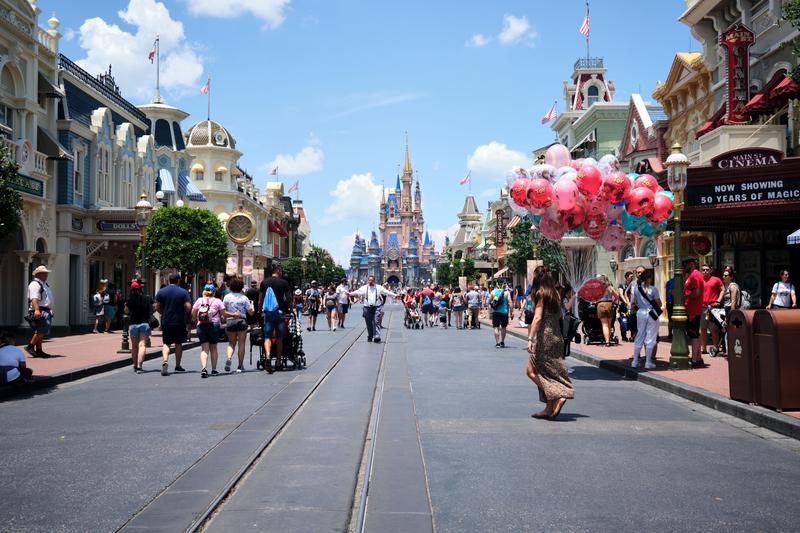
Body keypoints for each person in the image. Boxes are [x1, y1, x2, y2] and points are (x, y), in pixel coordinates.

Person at [526, 268, 574, 420]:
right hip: (556, 335)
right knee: (546, 371)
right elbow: (562, 313)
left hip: (544, 336)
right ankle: (548, 408)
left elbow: (538, 318)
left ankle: (558, 394)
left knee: (531, 371)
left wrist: (530, 338)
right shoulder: (556, 294)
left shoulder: (541, 293)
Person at [155, 272, 192, 376]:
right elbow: (188, 307)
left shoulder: (161, 291)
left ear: (168, 280)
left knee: (166, 343)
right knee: (178, 343)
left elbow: (157, 306)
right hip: (179, 321)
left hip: (166, 321)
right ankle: (178, 366)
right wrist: (183, 312)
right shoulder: (183, 292)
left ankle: (165, 361)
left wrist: (163, 313)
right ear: (178, 280)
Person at [259, 264, 291, 372]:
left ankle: (268, 356)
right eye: (281, 271)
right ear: (278, 271)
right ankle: (278, 362)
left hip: (268, 313)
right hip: (280, 312)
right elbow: (288, 298)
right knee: (279, 337)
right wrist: (290, 309)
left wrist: (260, 311)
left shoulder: (264, 282)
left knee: (267, 336)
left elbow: (261, 299)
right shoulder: (284, 283)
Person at [349, 275, 396, 343]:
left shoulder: (379, 287)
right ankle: (370, 336)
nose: (370, 282)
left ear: (374, 281)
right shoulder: (364, 288)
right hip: (367, 307)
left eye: (372, 280)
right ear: (368, 280)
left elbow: (386, 292)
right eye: (369, 280)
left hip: (376, 306)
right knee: (369, 323)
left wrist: (394, 295)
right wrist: (349, 294)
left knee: (376, 321)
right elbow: (357, 292)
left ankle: (377, 336)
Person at [192, 283, 226, 378]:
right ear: (214, 292)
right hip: (214, 325)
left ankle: (204, 368)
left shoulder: (199, 300)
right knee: (213, 348)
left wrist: (196, 320)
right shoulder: (218, 301)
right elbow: (223, 314)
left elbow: (193, 313)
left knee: (204, 349)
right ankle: (214, 369)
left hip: (201, 325)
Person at [630, 269, 662, 370]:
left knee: (640, 335)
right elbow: (659, 303)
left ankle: (635, 361)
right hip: (651, 313)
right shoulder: (653, 289)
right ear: (649, 278)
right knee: (651, 336)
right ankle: (648, 362)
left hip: (641, 312)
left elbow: (634, 303)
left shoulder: (636, 289)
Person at [222, 277, 253, 373]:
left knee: (231, 343)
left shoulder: (227, 297)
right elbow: (250, 312)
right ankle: (240, 365)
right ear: (241, 287)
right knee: (241, 344)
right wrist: (252, 306)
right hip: (241, 321)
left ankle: (229, 358)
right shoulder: (244, 298)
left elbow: (223, 312)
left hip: (230, 321)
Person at [125, 279, 154, 374]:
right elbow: (152, 309)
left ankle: (134, 365)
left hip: (133, 324)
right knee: (142, 345)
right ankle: (139, 366)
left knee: (134, 346)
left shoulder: (129, 299)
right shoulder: (147, 298)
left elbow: (126, 311)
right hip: (144, 323)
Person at [26, 265, 54, 358]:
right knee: (41, 330)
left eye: (46, 273)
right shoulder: (35, 284)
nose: (46, 275)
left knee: (42, 331)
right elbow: (34, 298)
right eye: (44, 273)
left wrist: (50, 308)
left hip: (44, 310)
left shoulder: (44, 284)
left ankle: (39, 350)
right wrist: (37, 310)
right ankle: (30, 346)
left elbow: (46, 299)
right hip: (39, 310)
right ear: (38, 274)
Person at [683, 257, 705, 367]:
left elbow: (696, 292)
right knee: (695, 333)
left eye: (685, 264)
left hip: (693, 309)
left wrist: (685, 296)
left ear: (691, 264)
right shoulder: (694, 274)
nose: (683, 267)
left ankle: (695, 359)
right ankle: (698, 357)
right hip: (693, 309)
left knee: (693, 335)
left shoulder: (695, 275)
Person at [700, 264, 724, 355]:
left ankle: (716, 348)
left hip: (713, 307)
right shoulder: (700, 280)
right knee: (703, 329)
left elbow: (722, 289)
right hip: (702, 307)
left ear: (710, 270)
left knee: (713, 329)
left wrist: (718, 300)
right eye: (703, 270)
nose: (705, 271)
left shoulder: (716, 280)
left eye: (707, 269)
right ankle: (704, 349)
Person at [718, 267, 740, 357]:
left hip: (732, 311)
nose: (724, 276)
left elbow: (733, 301)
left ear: (731, 277)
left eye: (726, 275)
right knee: (728, 331)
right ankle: (729, 350)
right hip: (728, 310)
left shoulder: (733, 286)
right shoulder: (728, 286)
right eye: (723, 275)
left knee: (730, 332)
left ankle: (730, 352)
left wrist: (731, 315)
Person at [489, 283, 512, 348]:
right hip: (504, 312)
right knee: (503, 327)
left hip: (495, 312)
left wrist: (490, 311)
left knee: (496, 327)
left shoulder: (493, 292)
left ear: (496, 284)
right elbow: (510, 302)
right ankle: (502, 342)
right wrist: (511, 312)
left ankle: (497, 342)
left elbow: (489, 302)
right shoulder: (507, 292)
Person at [596, 275, 616, 346]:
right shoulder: (610, 287)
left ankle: (607, 341)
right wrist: (613, 301)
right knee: (609, 324)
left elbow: (595, 297)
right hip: (610, 304)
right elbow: (616, 296)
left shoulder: (598, 287)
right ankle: (609, 340)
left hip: (601, 304)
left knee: (604, 325)